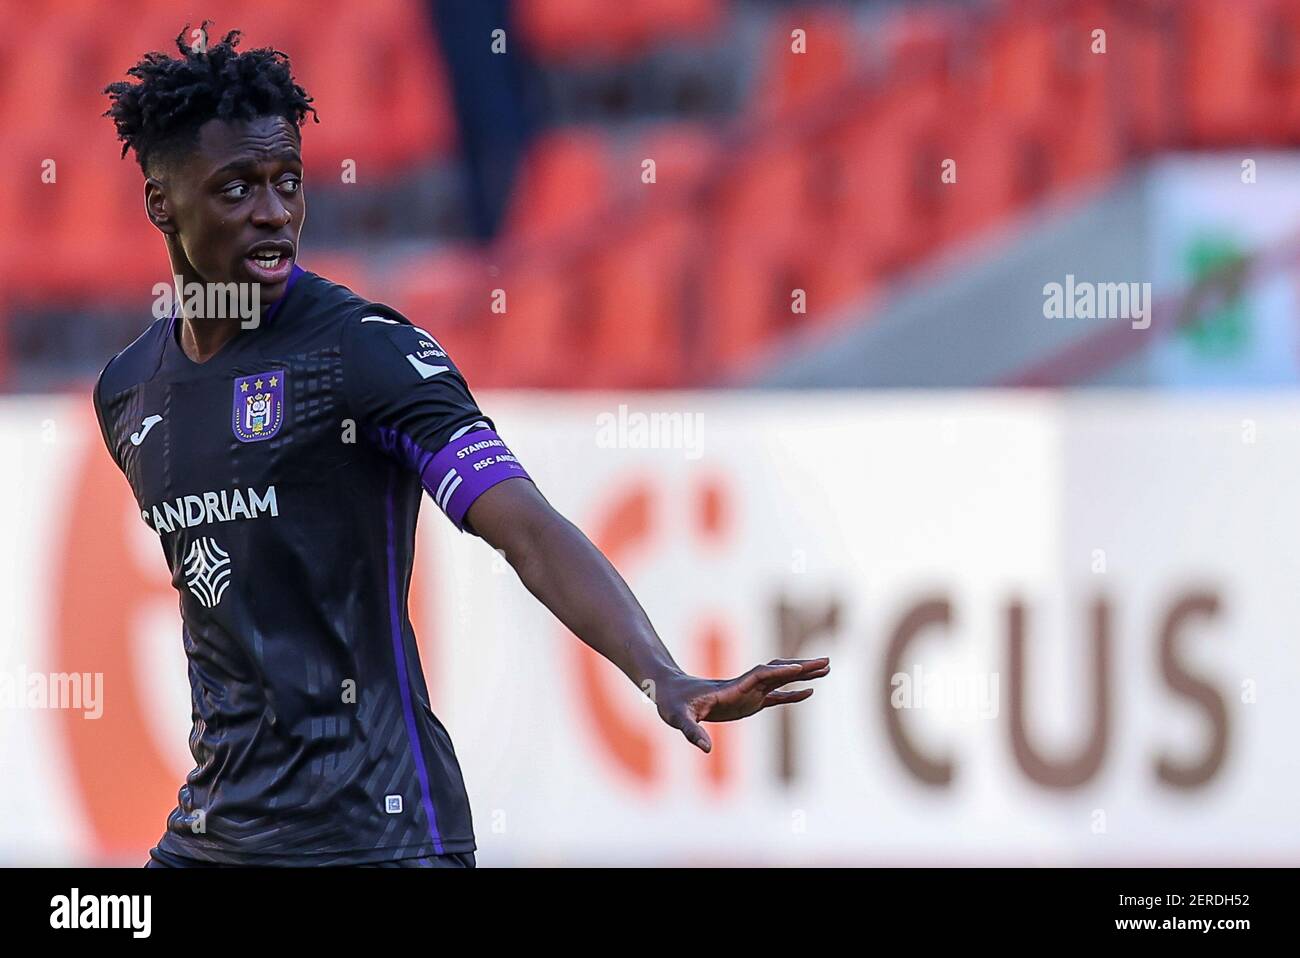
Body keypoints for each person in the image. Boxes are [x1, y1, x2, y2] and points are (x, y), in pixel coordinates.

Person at [97, 25, 829, 867]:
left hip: (378, 835)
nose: (274, 212)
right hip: (216, 838)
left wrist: (659, 671)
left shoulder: (363, 351)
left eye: (287, 183)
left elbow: (525, 526)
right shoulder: (129, 390)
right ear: (162, 203)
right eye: (236, 190)